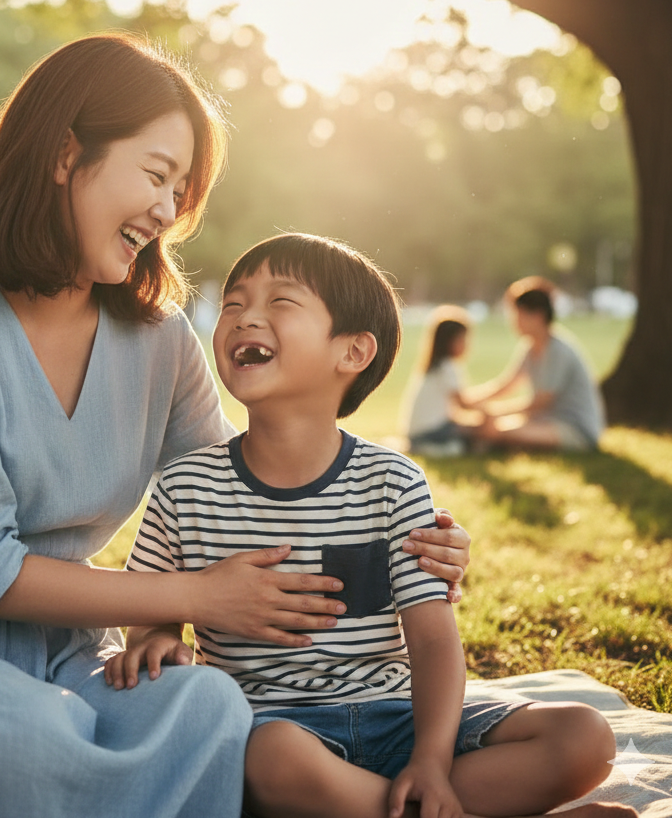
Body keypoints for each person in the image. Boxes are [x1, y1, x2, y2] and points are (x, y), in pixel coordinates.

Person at [0, 35, 471, 818]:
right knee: (10, 745)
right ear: (67, 153)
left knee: (207, 711)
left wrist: (408, 547)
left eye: (181, 193)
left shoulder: (158, 338)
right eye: (157, 176)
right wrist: (195, 596)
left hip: (66, 643)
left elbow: (243, 505)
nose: (169, 212)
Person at [108, 234, 626, 818]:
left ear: (352, 353)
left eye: (280, 302)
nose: (245, 316)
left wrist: (430, 760)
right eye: (233, 303)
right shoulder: (184, 486)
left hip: (397, 715)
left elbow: (432, 640)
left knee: (584, 737)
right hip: (275, 727)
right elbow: (152, 624)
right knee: (269, 763)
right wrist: (156, 649)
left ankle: (401, 802)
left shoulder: (393, 480)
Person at [467, 277, 606, 451]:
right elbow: (507, 384)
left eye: (518, 314)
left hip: (575, 429)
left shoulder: (558, 351)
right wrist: (469, 400)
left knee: (502, 431)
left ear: (538, 316)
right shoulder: (530, 348)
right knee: (495, 428)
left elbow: (541, 402)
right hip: (546, 421)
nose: (513, 321)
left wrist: (495, 412)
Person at [401, 306, 483, 456]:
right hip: (432, 431)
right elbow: (463, 404)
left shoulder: (434, 368)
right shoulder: (447, 367)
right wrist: (488, 413)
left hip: (417, 432)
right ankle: (438, 448)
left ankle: (434, 447)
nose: (466, 345)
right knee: (480, 431)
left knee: (469, 431)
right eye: (462, 339)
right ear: (449, 341)